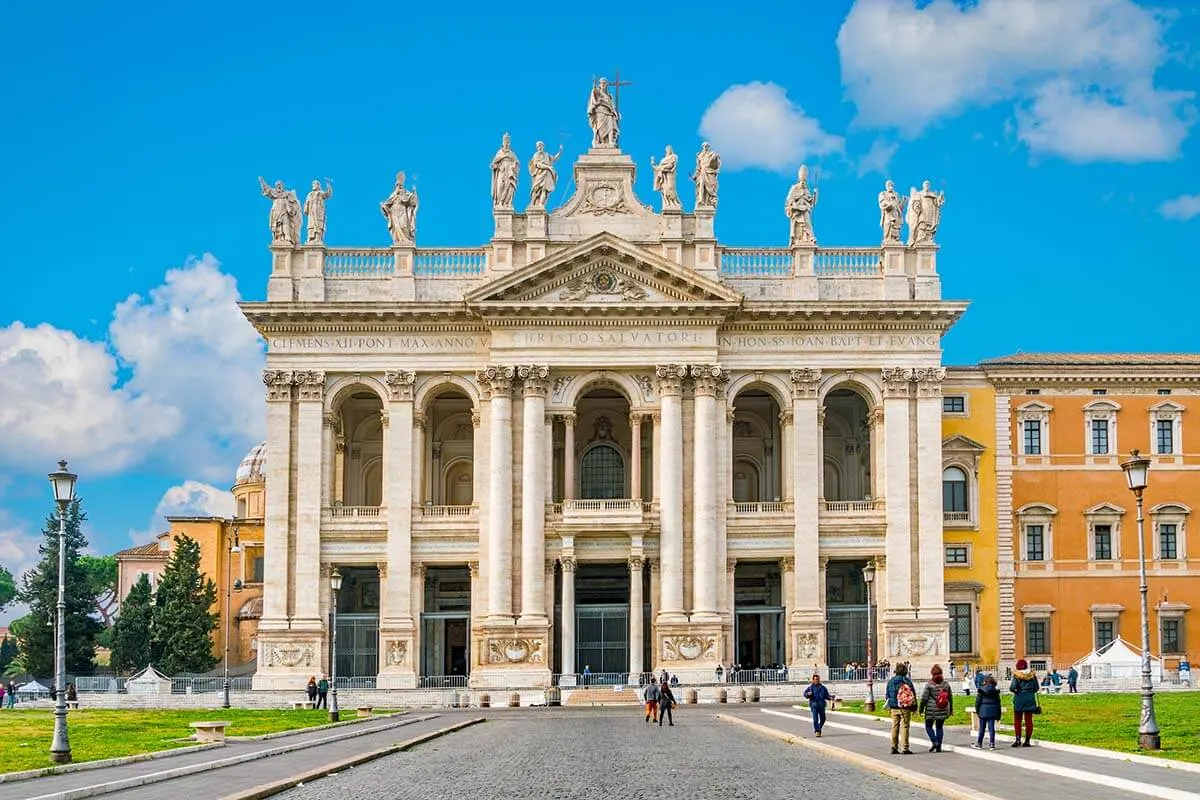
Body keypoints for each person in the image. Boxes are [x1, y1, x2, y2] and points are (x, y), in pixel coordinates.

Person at [918, 664, 953, 753]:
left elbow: (924, 698)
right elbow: (950, 697)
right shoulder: (946, 684)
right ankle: (938, 747)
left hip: (931, 710)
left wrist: (921, 709)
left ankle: (934, 741)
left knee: (928, 726)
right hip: (943, 708)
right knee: (939, 727)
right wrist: (951, 709)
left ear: (932, 674)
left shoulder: (929, 685)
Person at [885, 663, 917, 755]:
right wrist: (914, 707)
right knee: (905, 727)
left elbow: (887, 694)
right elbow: (912, 694)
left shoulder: (891, 681)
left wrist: (890, 705)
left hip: (894, 707)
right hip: (905, 707)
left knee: (894, 727)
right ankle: (905, 747)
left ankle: (894, 747)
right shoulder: (907, 681)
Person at [1009, 659, 1040, 747]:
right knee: (1029, 720)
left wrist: (1016, 691)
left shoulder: (1017, 675)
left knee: (1017, 720)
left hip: (1019, 697)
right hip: (1030, 698)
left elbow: (1012, 687)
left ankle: (1018, 740)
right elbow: (1036, 688)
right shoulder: (1032, 675)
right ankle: (1027, 741)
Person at [972, 674, 1002, 750]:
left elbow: (977, 702)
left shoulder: (981, 690)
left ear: (985, 682)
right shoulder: (995, 692)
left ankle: (979, 743)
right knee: (991, 728)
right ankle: (992, 744)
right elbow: (998, 704)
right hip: (992, 712)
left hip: (983, 711)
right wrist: (998, 714)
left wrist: (978, 711)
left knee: (982, 728)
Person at [803, 673, 833, 738]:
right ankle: (817, 731)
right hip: (814, 705)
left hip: (821, 705)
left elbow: (826, 695)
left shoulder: (823, 688)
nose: (816, 680)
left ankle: (818, 728)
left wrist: (830, 697)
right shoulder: (810, 688)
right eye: (815, 679)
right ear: (813, 680)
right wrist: (808, 694)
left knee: (823, 718)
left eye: (817, 679)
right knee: (815, 719)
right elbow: (805, 694)